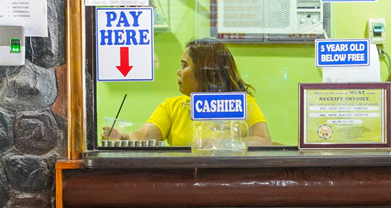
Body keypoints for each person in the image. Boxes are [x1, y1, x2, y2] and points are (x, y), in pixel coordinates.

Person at [101, 38, 271, 146]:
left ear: (205, 72)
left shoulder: (241, 103)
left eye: (184, 65)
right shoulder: (171, 107)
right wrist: (124, 139)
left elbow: (263, 141)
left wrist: (220, 144)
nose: (178, 71)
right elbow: (144, 135)